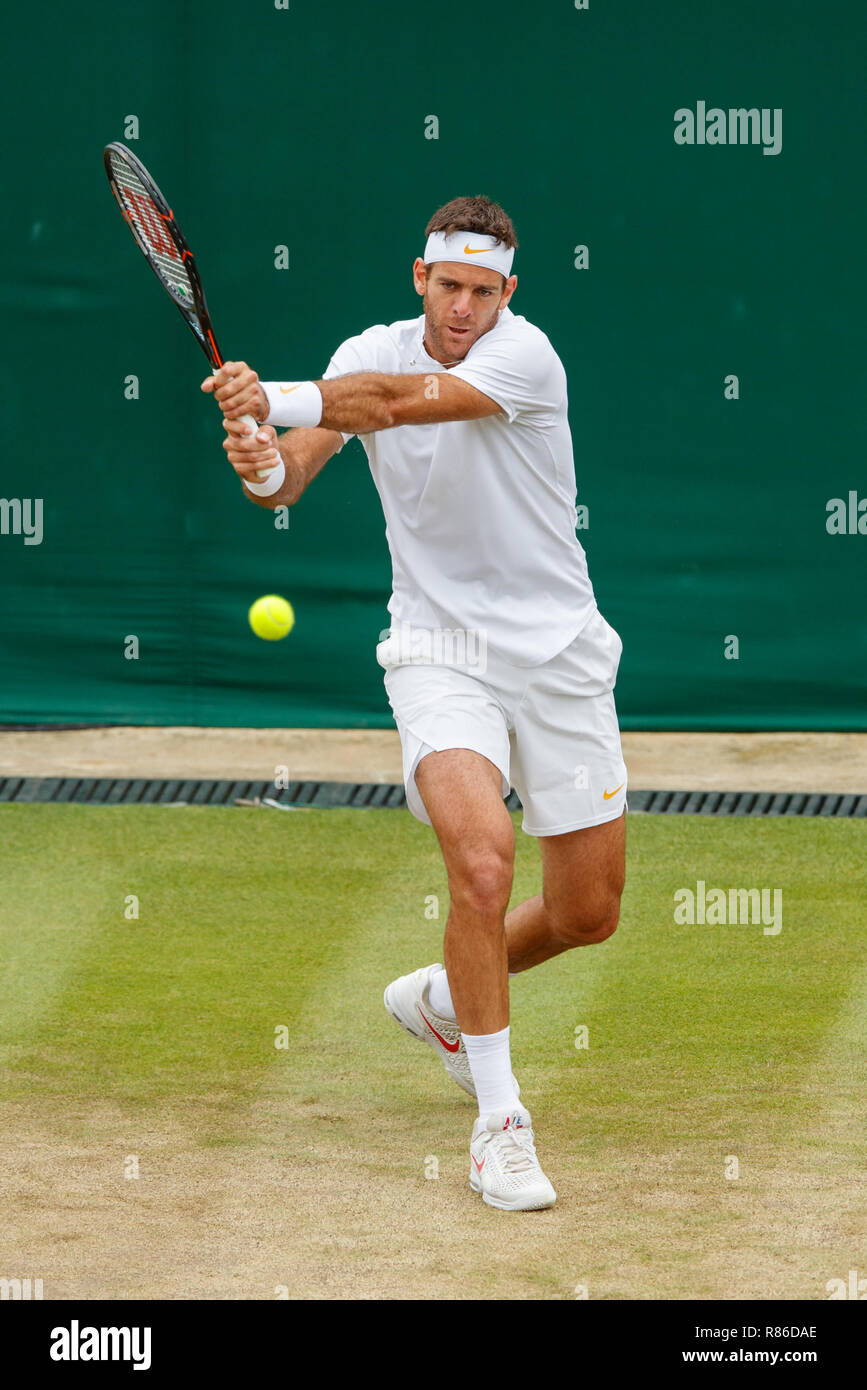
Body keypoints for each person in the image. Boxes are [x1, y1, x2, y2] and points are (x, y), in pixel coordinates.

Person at [203, 195, 628, 1212]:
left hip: (561, 654)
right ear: (419, 278)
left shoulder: (527, 360)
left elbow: (388, 404)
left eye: (485, 291)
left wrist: (278, 397)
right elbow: (291, 479)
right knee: (482, 861)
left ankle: (442, 1001)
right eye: (451, 288)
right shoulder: (368, 349)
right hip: (439, 651)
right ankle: (500, 1121)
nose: (466, 308)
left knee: (587, 911)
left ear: (507, 294)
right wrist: (264, 459)